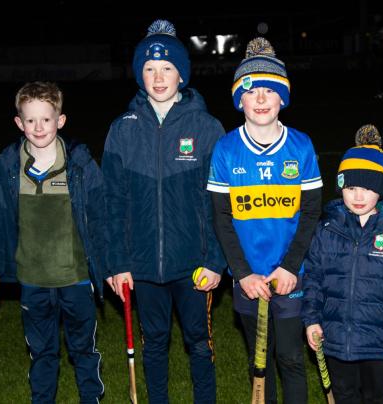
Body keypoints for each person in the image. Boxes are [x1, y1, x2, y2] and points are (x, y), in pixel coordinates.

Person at [101, 19, 226, 404]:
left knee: (199, 343)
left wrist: (216, 261)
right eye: (150, 69)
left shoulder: (206, 127)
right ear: (140, 73)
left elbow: (220, 206)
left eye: (167, 68)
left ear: (181, 74)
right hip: (141, 265)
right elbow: (112, 203)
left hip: (193, 264)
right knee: (153, 342)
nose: (158, 77)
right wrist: (116, 262)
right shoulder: (123, 129)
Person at [207, 37, 322, 404]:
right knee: (260, 362)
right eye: (251, 91)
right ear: (239, 98)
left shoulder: (300, 146)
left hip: (290, 275)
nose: (260, 99)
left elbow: (310, 213)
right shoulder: (226, 149)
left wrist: (291, 267)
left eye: (269, 91)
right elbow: (222, 218)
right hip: (249, 277)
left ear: (282, 99)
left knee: (289, 358)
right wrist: (242, 273)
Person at [0, 81, 108, 404]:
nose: (39, 127)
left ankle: (90, 398)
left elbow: (102, 218)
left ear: (60, 120)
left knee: (83, 350)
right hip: (33, 280)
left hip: (75, 278)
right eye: (31, 120)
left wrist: (111, 266)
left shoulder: (79, 165)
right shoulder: (8, 168)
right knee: (42, 353)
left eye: (46, 119)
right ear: (19, 123)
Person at [301, 124, 383, 404]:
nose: (358, 196)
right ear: (341, 188)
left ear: (381, 190)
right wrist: (312, 320)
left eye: (368, 187)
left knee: (375, 396)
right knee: (344, 395)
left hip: (377, 343)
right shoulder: (326, 230)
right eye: (351, 187)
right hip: (336, 340)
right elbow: (312, 277)